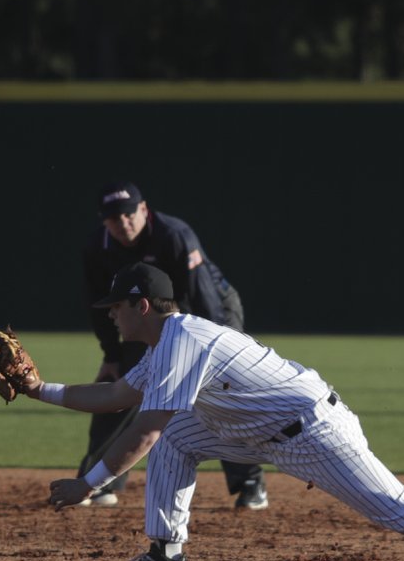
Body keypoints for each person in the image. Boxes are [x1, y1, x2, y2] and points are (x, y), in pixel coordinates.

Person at [31, 262, 404, 561]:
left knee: (399, 510)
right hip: (255, 432)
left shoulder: (185, 337)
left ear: (142, 304)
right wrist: (38, 389)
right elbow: (114, 396)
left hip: (311, 429)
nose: (110, 314)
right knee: (180, 437)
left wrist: (89, 483)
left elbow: (144, 426)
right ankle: (165, 554)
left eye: (116, 306)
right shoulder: (161, 347)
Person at [79, 180, 270, 509]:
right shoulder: (98, 247)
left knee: (221, 391)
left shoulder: (173, 235)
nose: (122, 222)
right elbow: (103, 307)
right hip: (147, 317)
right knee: (119, 383)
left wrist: (220, 351)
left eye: (128, 214)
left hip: (209, 308)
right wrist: (112, 355)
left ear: (143, 209)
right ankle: (98, 480)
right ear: (103, 220)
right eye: (113, 218)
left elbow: (204, 299)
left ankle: (249, 481)